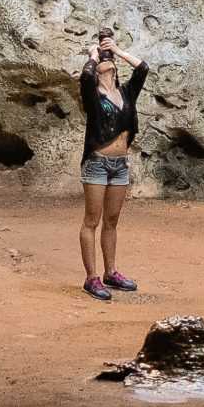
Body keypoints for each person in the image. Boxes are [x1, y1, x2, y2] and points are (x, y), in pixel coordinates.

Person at [75, 28, 147, 301]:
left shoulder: (127, 92)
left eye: (109, 59)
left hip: (120, 164)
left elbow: (142, 68)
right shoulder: (92, 95)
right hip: (97, 163)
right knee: (92, 220)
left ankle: (111, 272)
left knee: (112, 220)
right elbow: (85, 76)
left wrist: (116, 50)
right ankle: (91, 278)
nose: (106, 59)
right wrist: (92, 55)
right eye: (103, 58)